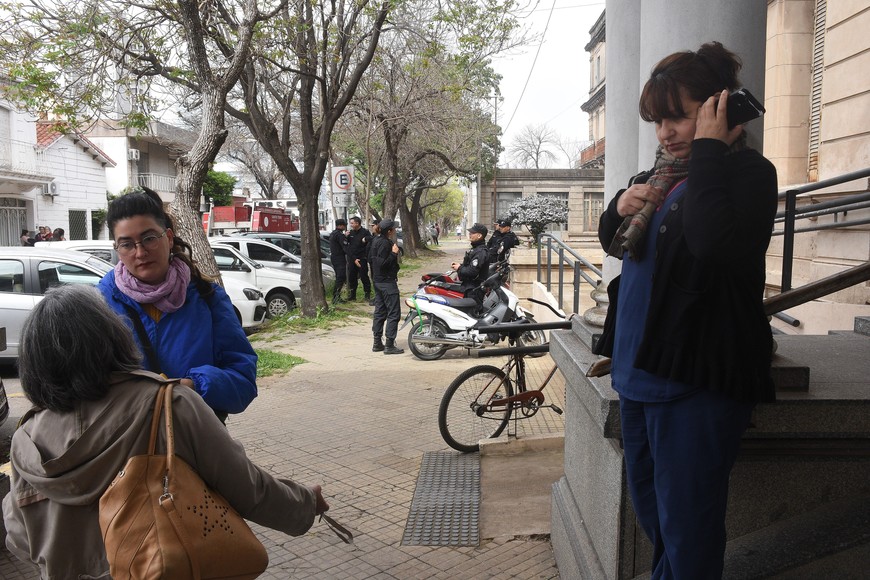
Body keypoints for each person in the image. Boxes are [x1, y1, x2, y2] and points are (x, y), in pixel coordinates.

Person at [593, 42, 778, 579]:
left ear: (721, 107)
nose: (665, 132)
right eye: (657, 120)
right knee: (655, 515)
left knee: (689, 527)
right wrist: (617, 208)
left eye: (677, 116)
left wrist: (710, 153)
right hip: (638, 375)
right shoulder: (658, 178)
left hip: (695, 380)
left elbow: (712, 243)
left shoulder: (745, 175)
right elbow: (619, 245)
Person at [2, 285, 329, 578]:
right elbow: (248, 487)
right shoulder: (169, 405)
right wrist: (304, 503)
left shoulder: (25, 438)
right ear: (111, 337)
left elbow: (17, 535)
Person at [97, 187, 257, 424]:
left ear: (169, 238)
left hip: (194, 440)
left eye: (149, 238)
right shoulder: (100, 305)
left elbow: (243, 381)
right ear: (117, 250)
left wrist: (194, 385)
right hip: (126, 446)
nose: (140, 252)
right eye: (127, 244)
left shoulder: (207, 297)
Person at [369, 219, 403, 355]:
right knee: (394, 313)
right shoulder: (383, 243)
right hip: (386, 283)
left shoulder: (376, 241)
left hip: (378, 281)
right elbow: (382, 264)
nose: (395, 230)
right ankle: (389, 344)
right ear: (389, 231)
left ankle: (377, 342)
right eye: (393, 228)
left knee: (380, 311)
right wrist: (394, 253)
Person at [451, 223, 491, 305]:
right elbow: (470, 266)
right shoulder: (476, 249)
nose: (470, 234)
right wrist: (460, 266)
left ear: (479, 236)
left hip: (474, 289)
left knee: (472, 313)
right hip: (469, 287)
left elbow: (472, 272)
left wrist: (459, 268)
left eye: (472, 233)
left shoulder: (481, 252)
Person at [345, 216, 373, 302]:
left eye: (352, 223)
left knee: (364, 276)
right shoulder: (351, 233)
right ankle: (352, 295)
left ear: (357, 223)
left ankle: (367, 294)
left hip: (362, 258)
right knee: (352, 277)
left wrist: (365, 239)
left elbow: (371, 238)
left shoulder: (365, 232)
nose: (351, 225)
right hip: (352, 258)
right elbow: (347, 246)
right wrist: (345, 236)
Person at [328, 218, 348, 304]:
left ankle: (337, 296)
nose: (344, 227)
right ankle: (336, 297)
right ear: (340, 226)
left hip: (334, 258)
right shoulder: (339, 235)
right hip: (339, 258)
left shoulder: (333, 233)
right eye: (344, 225)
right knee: (340, 277)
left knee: (339, 277)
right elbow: (345, 247)